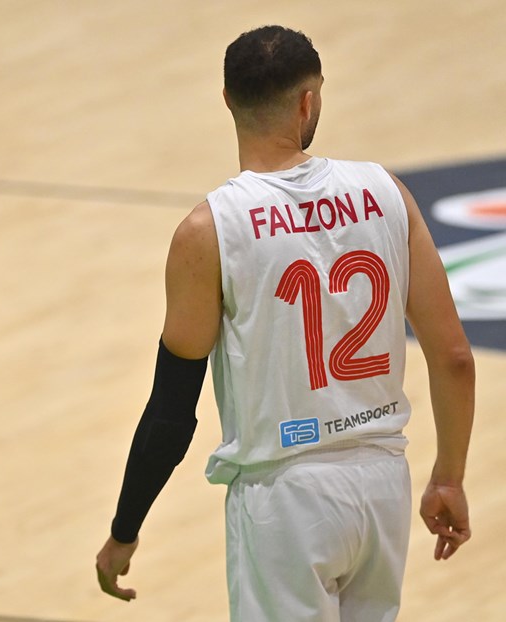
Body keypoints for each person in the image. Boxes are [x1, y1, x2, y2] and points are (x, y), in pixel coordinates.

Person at [95, 25, 474, 621]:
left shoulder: (210, 230)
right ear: (308, 101)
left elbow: (171, 411)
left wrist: (125, 528)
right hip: (383, 483)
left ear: (227, 101)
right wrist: (448, 478)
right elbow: (453, 356)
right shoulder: (387, 193)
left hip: (285, 497)